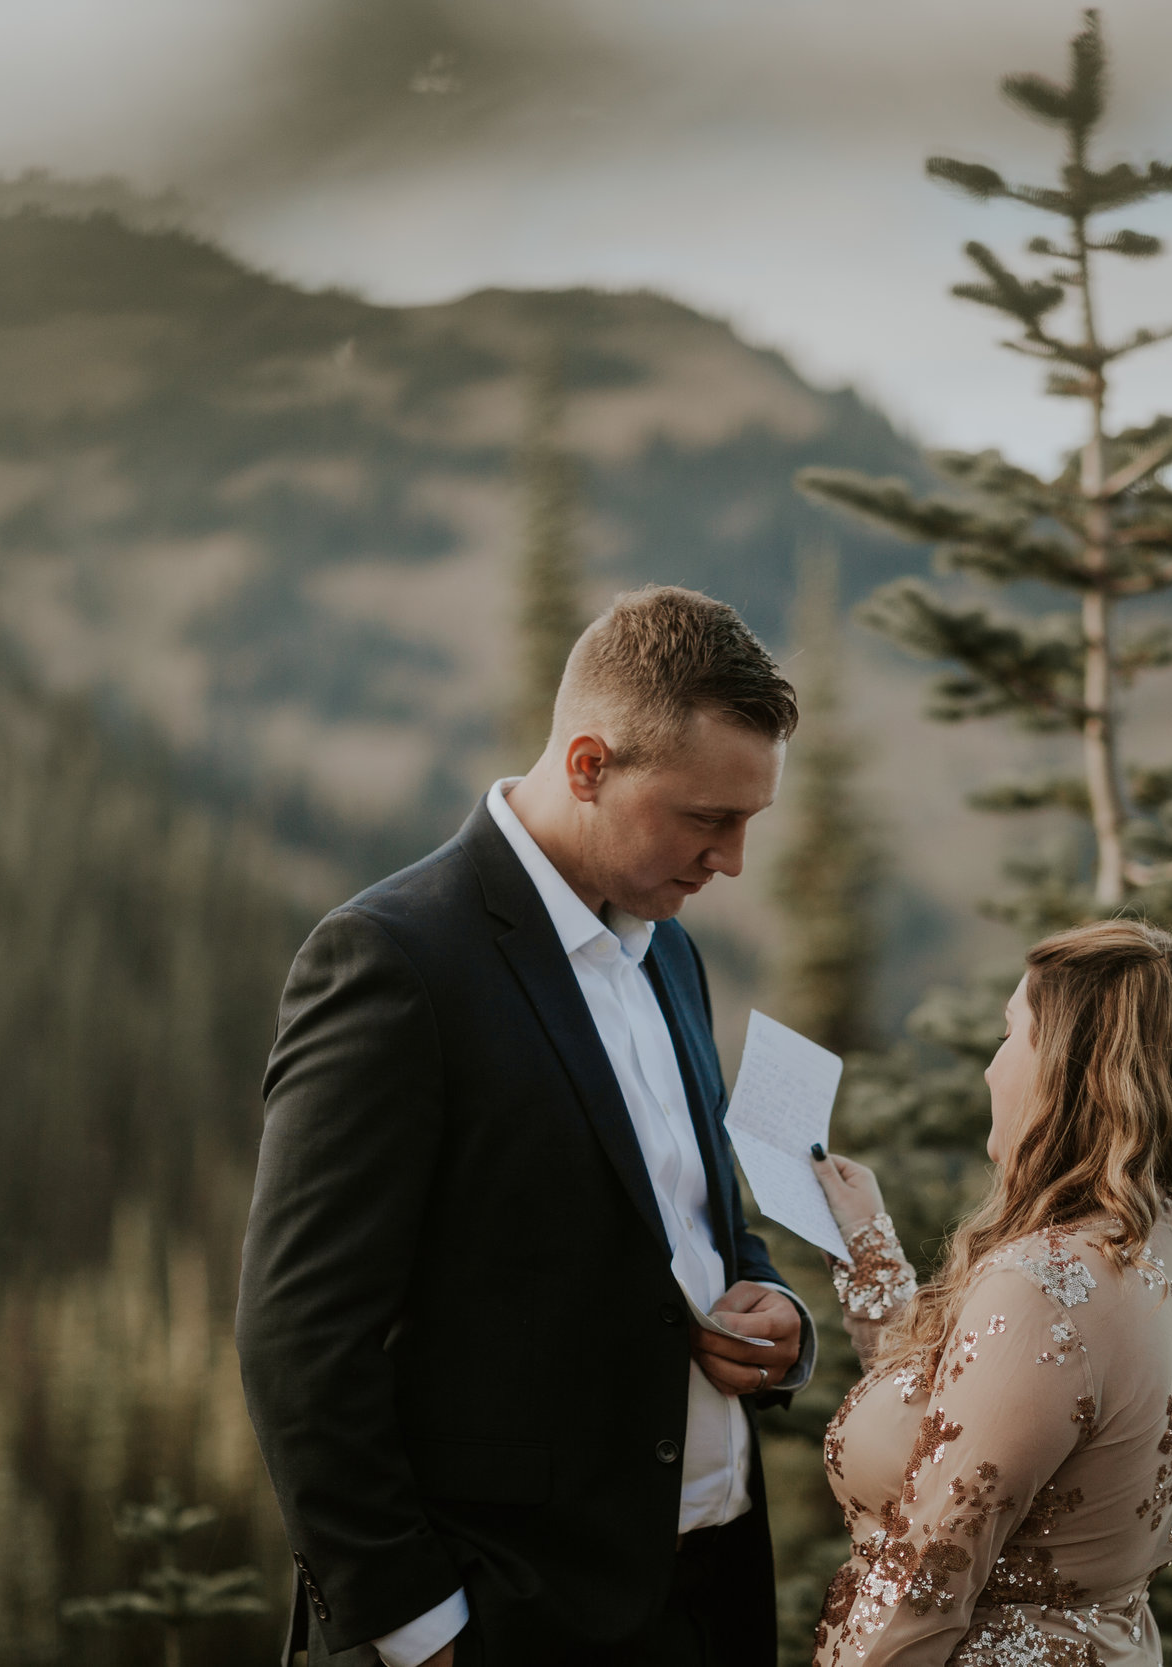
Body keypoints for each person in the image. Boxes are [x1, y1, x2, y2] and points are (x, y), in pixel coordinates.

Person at [237, 586, 818, 1667]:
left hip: (704, 1599)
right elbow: (299, 1338)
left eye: (748, 821)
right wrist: (421, 1627)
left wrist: (773, 1310)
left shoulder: (672, 949)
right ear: (589, 764)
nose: (731, 859)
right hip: (504, 1617)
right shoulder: (393, 961)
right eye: (707, 818)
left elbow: (703, 1225)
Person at [803, 919, 1172, 1666]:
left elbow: (921, 1588)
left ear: (1066, 1070)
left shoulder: (1042, 1289)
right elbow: (970, 1413)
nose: (991, 1069)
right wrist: (869, 1248)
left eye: (1011, 1035)